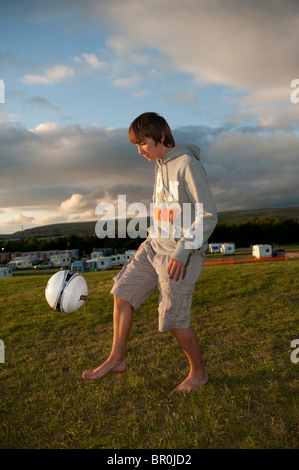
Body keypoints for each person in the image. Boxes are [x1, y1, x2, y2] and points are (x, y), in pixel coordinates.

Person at [82, 112, 218, 393]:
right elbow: (168, 212)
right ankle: (117, 358)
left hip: (182, 255)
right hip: (154, 247)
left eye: (142, 143)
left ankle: (198, 374)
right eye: (136, 145)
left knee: (175, 321)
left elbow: (207, 215)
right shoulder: (159, 164)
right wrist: (150, 238)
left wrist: (182, 252)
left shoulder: (186, 165)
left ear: (161, 137)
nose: (139, 150)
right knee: (122, 292)